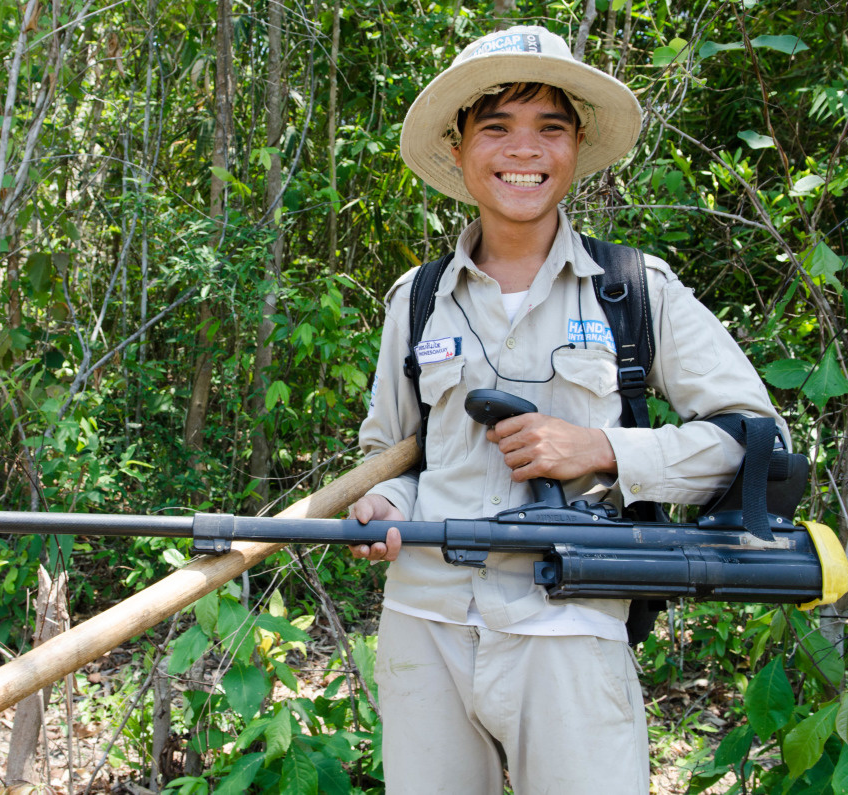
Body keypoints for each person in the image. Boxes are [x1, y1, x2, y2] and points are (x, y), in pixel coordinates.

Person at [346, 25, 788, 795]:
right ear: (458, 148)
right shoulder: (415, 302)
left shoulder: (634, 288)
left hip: (571, 624)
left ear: (577, 148)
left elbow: (757, 440)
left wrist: (604, 449)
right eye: (497, 128)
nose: (525, 151)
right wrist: (382, 503)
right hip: (426, 625)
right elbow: (396, 458)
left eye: (550, 128)